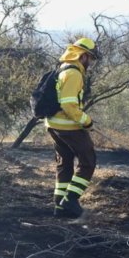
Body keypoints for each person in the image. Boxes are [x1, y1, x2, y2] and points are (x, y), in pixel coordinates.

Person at [45, 37, 100, 218]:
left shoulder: (62, 69)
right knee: (88, 162)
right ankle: (70, 200)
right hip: (68, 126)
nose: (90, 62)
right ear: (83, 56)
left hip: (53, 125)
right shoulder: (74, 73)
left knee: (65, 164)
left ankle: (59, 207)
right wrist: (86, 121)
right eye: (90, 58)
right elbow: (69, 105)